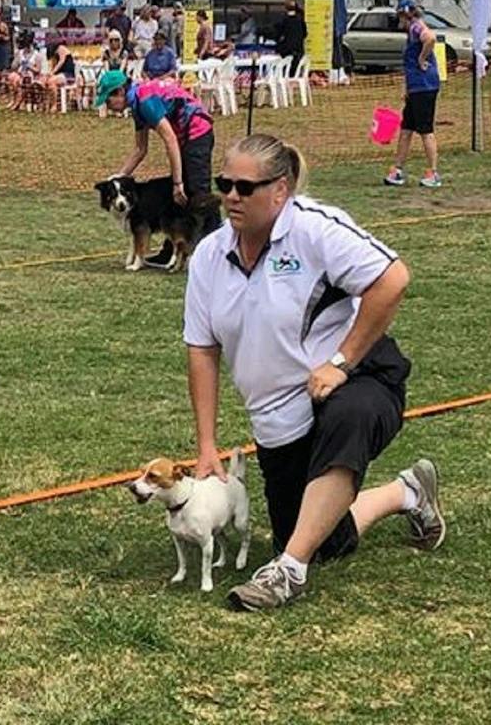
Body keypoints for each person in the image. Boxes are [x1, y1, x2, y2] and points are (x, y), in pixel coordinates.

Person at [184, 134, 444, 611]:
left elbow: (393, 278)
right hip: (280, 418)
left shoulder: (315, 230)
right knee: (324, 538)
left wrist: (340, 362)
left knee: (348, 422)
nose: (232, 197)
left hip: (360, 379)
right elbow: (202, 348)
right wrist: (206, 445)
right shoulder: (208, 256)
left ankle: (287, 574)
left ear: (280, 190)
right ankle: (407, 492)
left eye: (246, 187)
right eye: (225, 184)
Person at [98, 67, 220, 248]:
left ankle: (213, 247)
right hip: (184, 137)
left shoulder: (146, 101)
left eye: (108, 100)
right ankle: (173, 248)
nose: (107, 105)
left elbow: (169, 139)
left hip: (197, 133)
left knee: (196, 193)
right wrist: (119, 177)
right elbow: (140, 149)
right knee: (179, 198)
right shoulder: (137, 104)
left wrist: (177, 183)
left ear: (120, 91)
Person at [383, 0, 442, 189]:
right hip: (416, 88)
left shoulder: (416, 27)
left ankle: (433, 173)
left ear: (405, 14)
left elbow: (430, 38)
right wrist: (407, 90)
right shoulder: (411, 31)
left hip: (424, 86)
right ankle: (397, 170)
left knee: (426, 130)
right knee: (406, 129)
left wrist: (422, 58)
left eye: (399, 15)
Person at [275, 1, 307, 69]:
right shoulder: (300, 20)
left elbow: (278, 34)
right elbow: (305, 34)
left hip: (287, 51)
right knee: (296, 69)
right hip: (298, 49)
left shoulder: (284, 20)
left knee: (286, 69)